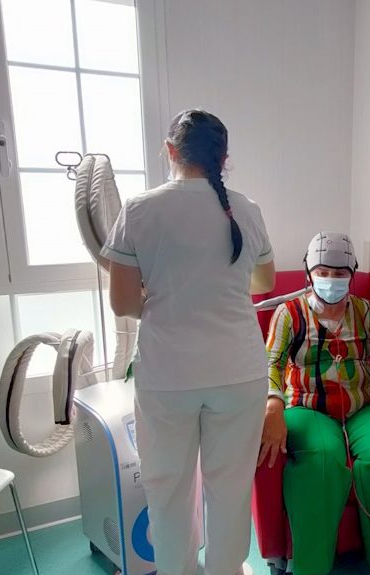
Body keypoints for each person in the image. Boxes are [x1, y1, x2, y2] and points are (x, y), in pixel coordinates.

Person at [103, 109, 276, 575]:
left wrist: (164, 303)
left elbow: (122, 303)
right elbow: (263, 280)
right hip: (239, 373)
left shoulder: (139, 209)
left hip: (168, 377)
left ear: (170, 150)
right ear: (225, 158)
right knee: (231, 489)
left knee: (170, 491)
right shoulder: (248, 209)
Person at [259, 231, 370, 575]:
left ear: (351, 274)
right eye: (323, 272)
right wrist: (273, 402)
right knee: (321, 461)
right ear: (309, 273)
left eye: (339, 273)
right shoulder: (289, 314)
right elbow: (270, 363)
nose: (331, 280)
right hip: (308, 407)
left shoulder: (368, 312)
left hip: (364, 405)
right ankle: (310, 566)